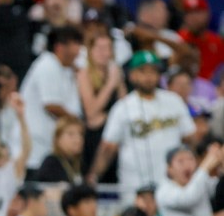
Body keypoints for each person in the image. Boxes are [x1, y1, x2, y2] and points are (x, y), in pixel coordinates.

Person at [89, 51, 195, 197]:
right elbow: (108, 148)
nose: (149, 76)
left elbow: (190, 138)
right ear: (132, 75)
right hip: (134, 186)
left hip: (172, 184)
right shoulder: (123, 107)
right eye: (143, 71)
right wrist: (93, 177)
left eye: (153, 71)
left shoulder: (174, 101)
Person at [22, 26, 83, 173]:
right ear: (60, 47)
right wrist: (77, 123)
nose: (78, 52)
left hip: (47, 146)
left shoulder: (65, 69)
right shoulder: (47, 65)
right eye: (75, 45)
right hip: (35, 148)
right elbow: (51, 105)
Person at [77, 32, 126, 183]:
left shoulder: (116, 72)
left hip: (114, 136)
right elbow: (91, 112)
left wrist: (117, 82)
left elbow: (125, 107)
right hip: (94, 137)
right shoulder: (84, 74)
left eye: (107, 48)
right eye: (99, 48)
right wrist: (111, 84)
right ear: (90, 51)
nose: (103, 53)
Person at [36, 116, 85, 184]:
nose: (78, 139)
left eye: (80, 134)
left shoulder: (80, 163)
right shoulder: (51, 163)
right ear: (58, 138)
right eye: (71, 134)